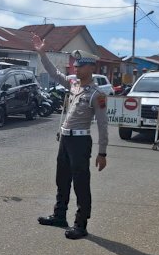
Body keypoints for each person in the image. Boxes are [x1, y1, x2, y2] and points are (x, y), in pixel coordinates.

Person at [32, 35, 108, 239]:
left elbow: (102, 125)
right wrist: (41, 53)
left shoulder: (97, 94)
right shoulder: (73, 85)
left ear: (91, 68)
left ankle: (81, 224)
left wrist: (102, 152)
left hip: (80, 142)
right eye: (75, 66)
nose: (76, 69)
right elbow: (53, 72)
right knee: (62, 179)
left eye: (80, 66)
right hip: (65, 139)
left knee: (81, 183)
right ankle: (59, 215)